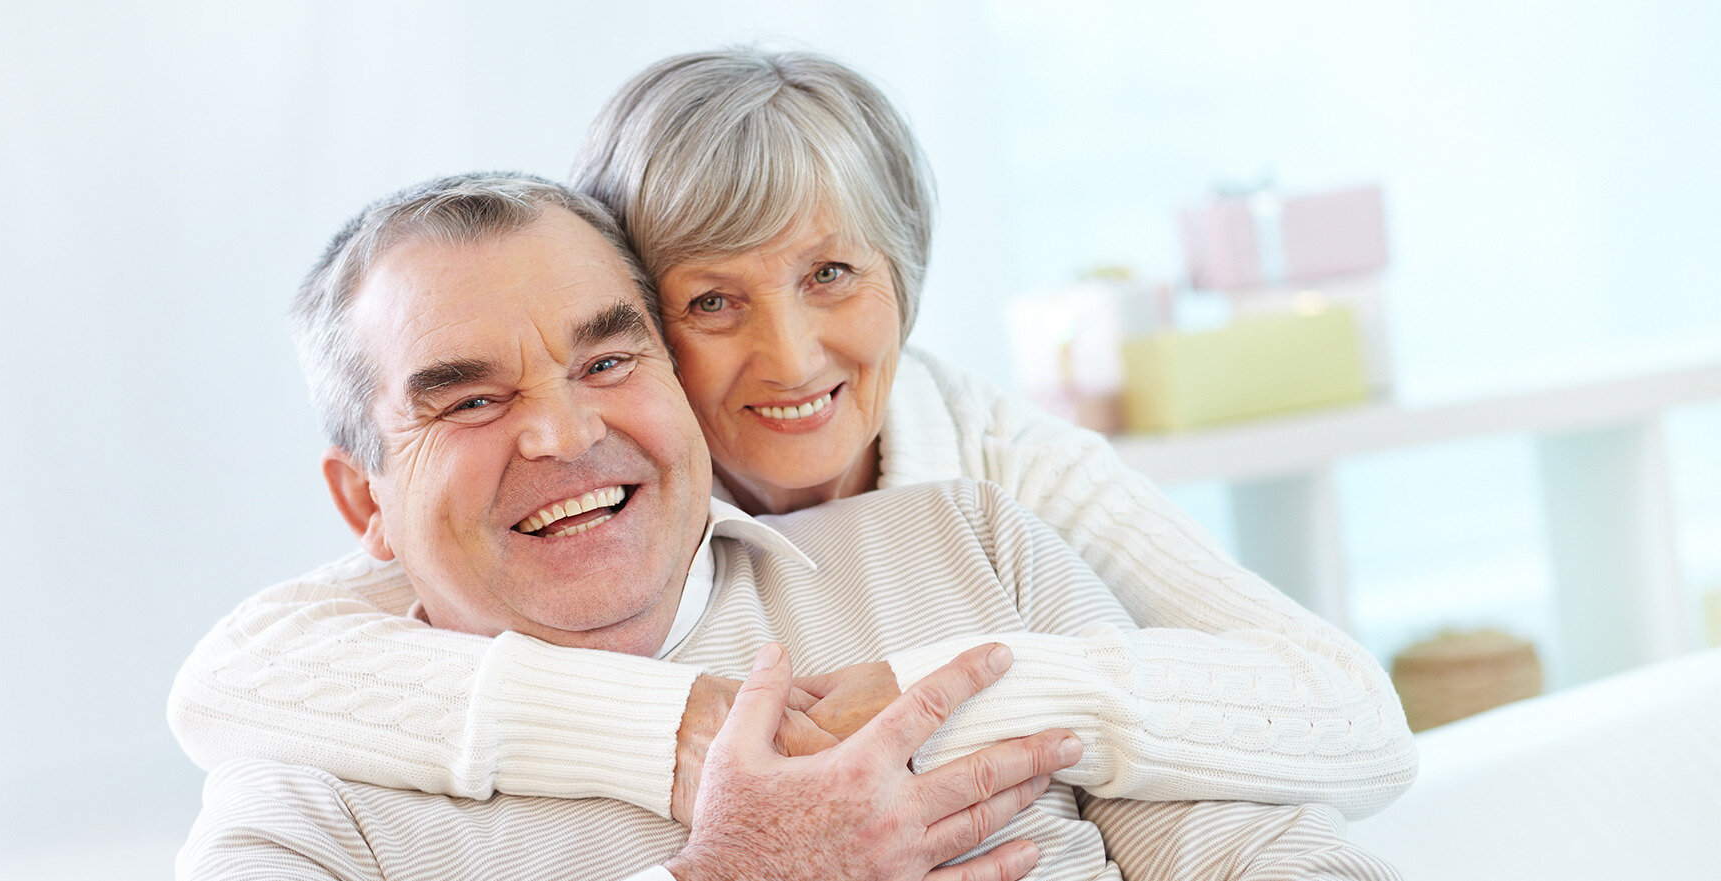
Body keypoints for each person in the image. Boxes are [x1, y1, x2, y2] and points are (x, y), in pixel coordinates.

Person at [169, 48, 1415, 825]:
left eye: (833, 273)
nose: (794, 356)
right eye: (713, 301)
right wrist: (687, 734)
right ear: (639, 320)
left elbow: (1350, 709)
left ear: (905, 278)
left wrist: (966, 693)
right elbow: (231, 679)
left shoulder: (994, 486)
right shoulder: (555, 500)